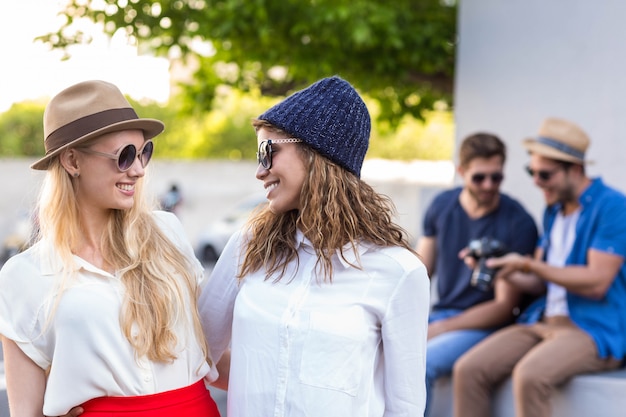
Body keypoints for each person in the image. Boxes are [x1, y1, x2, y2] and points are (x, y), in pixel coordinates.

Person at [199, 76, 430, 416]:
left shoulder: (398, 272)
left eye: (268, 152)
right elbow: (198, 355)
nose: (260, 172)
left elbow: (405, 408)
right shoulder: (248, 246)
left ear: (315, 154)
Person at [0, 80, 222, 417]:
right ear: (72, 160)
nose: (139, 169)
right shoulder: (23, 276)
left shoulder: (168, 233)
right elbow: (25, 411)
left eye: (144, 151)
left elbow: (213, 348)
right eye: (125, 155)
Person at [453, 117, 626, 417]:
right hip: (543, 321)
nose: (536, 182)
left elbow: (597, 282)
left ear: (575, 169)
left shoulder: (613, 206)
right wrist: (504, 270)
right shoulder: (553, 211)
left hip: (592, 330)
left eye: (545, 174)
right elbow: (540, 281)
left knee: (530, 377)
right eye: (532, 171)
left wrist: (528, 264)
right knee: (469, 369)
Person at [417, 133, 538, 415]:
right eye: (479, 178)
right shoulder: (441, 206)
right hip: (439, 314)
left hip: (483, 326)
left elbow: (504, 307)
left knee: (420, 365)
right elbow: (420, 273)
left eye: (496, 178)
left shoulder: (518, 221)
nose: (489, 185)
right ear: (461, 172)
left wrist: (437, 329)